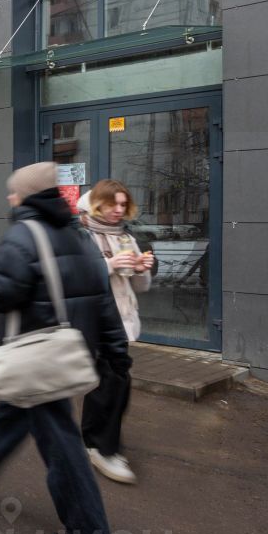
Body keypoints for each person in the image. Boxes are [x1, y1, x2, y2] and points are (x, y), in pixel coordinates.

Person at [0, 162, 131, 534]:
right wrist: (116, 351)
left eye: (14, 192)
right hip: (65, 351)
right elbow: (103, 299)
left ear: (26, 195)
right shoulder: (79, 235)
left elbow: (5, 292)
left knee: (62, 445)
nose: (10, 197)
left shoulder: (22, 235)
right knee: (10, 415)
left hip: (36, 355)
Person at [76, 182, 154, 485]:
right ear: (98, 204)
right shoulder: (82, 235)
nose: (118, 210)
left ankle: (95, 443)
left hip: (120, 320)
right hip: (95, 322)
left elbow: (138, 286)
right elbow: (75, 280)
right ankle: (102, 448)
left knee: (109, 383)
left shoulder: (125, 236)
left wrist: (141, 268)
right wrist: (108, 264)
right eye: (112, 204)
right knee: (111, 383)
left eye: (123, 205)